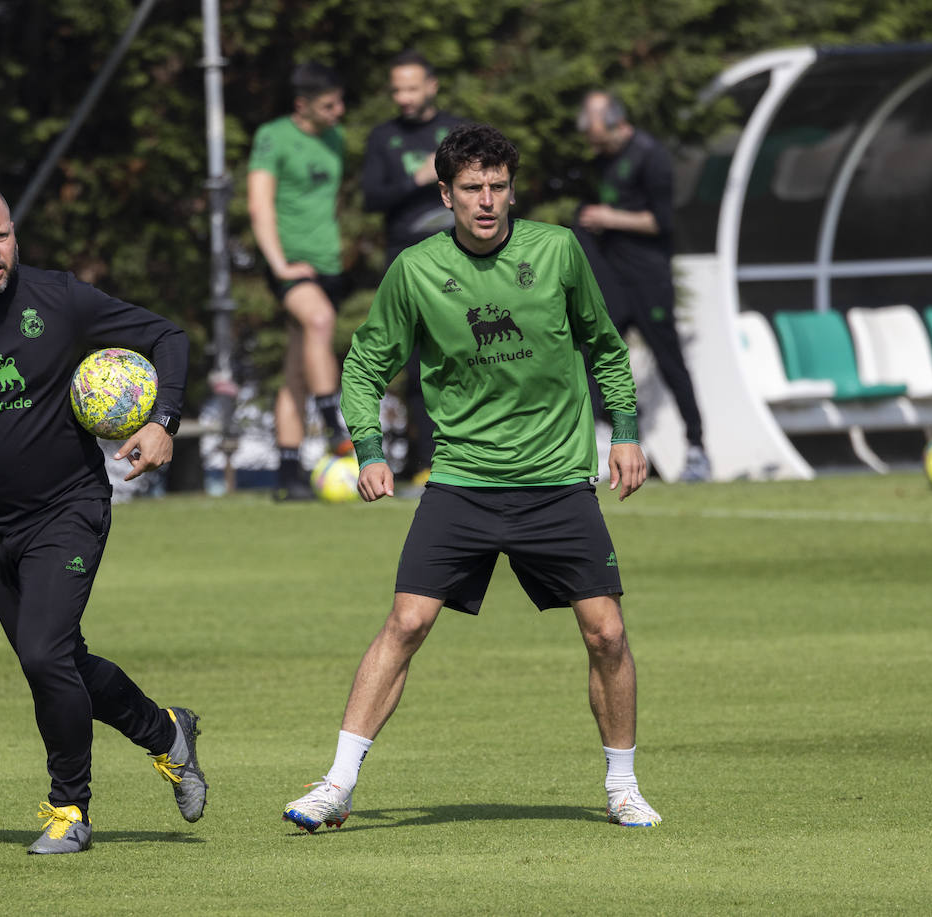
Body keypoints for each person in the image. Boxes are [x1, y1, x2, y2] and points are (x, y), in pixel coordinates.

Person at [282, 124, 661, 834]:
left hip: (555, 481)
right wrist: (368, 447)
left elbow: (605, 346)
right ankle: (336, 783)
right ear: (445, 193)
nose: (487, 202)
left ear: (511, 188)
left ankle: (622, 784)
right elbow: (363, 365)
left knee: (606, 632)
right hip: (462, 481)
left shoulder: (557, 251)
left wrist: (628, 432)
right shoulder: (416, 270)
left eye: (497, 187)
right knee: (406, 621)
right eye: (472, 189)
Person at [0, 182, 206, 855]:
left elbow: (168, 338)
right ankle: (167, 731)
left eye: (2, 235)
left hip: (71, 508)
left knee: (42, 653)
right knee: (64, 662)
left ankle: (69, 809)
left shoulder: (59, 298)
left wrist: (163, 420)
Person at [574, 89, 710, 482]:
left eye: (598, 136)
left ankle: (698, 447)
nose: (594, 146)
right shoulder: (602, 162)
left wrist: (610, 218)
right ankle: (602, 440)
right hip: (613, 279)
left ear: (617, 122)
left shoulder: (652, 157)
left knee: (670, 361)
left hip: (649, 278)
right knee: (594, 355)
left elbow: (661, 222)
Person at [247, 61, 353, 502]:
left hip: (327, 266)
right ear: (302, 105)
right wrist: (279, 265)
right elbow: (260, 205)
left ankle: (288, 474)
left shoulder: (337, 140)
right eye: (329, 105)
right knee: (320, 321)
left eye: (340, 102)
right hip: (289, 266)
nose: (339, 111)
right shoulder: (272, 137)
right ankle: (334, 424)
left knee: (297, 364)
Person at [360, 50, 465, 486]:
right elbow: (372, 198)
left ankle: (471, 456)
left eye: (411, 87)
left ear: (432, 86)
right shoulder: (383, 138)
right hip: (407, 260)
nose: (403, 97)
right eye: (396, 89)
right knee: (418, 362)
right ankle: (423, 460)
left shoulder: (456, 130)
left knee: (467, 355)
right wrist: (417, 180)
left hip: (457, 257)